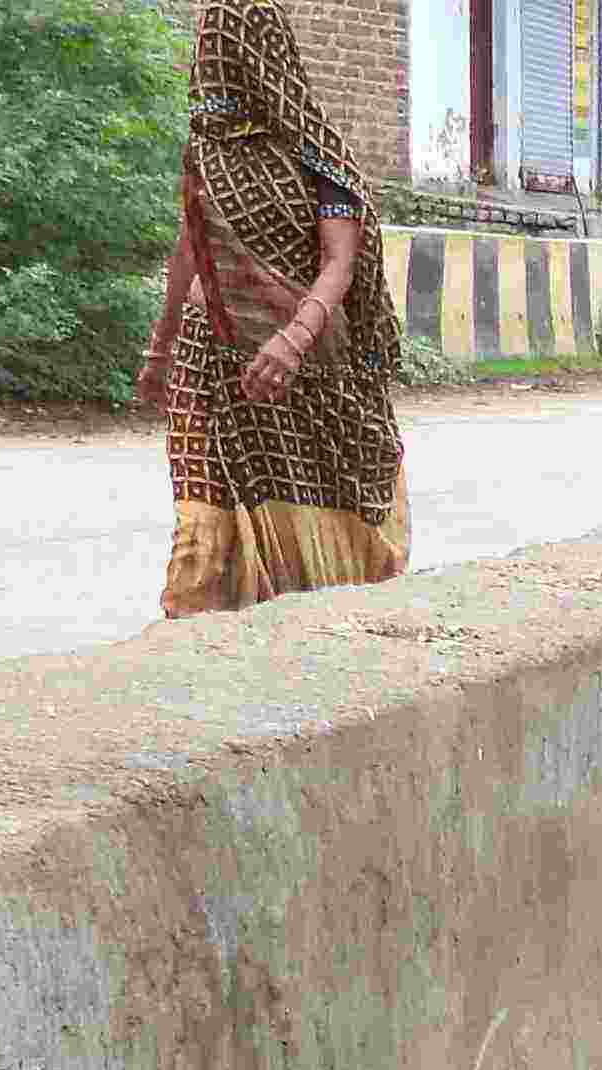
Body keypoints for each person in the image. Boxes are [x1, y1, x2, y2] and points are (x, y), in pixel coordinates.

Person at [136, 0, 403, 620]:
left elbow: (339, 264)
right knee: (199, 524)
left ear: (260, 59)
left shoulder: (318, 154)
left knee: (309, 524)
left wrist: (290, 342)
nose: (208, 65)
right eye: (207, 47)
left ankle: (297, 636)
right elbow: (189, 249)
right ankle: (191, 637)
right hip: (207, 356)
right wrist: (161, 347)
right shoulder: (204, 154)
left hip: (301, 368)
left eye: (223, 50)